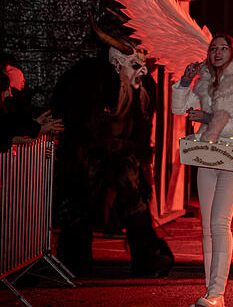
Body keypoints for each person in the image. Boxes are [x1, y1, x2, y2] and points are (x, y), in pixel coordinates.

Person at [51, 23, 169, 278]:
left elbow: (140, 126)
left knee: (134, 201)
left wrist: (142, 159)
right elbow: (80, 120)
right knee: (81, 203)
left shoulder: (143, 87)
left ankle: (148, 259)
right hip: (87, 150)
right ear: (117, 64)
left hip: (121, 150)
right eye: (135, 66)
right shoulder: (91, 78)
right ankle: (75, 261)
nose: (143, 71)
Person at [172, 34, 233, 307]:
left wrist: (210, 119)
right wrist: (186, 83)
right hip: (207, 158)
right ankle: (212, 294)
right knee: (208, 228)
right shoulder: (206, 82)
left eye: (224, 48)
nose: (217, 52)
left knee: (220, 224)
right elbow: (179, 108)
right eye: (213, 48)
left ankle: (216, 293)